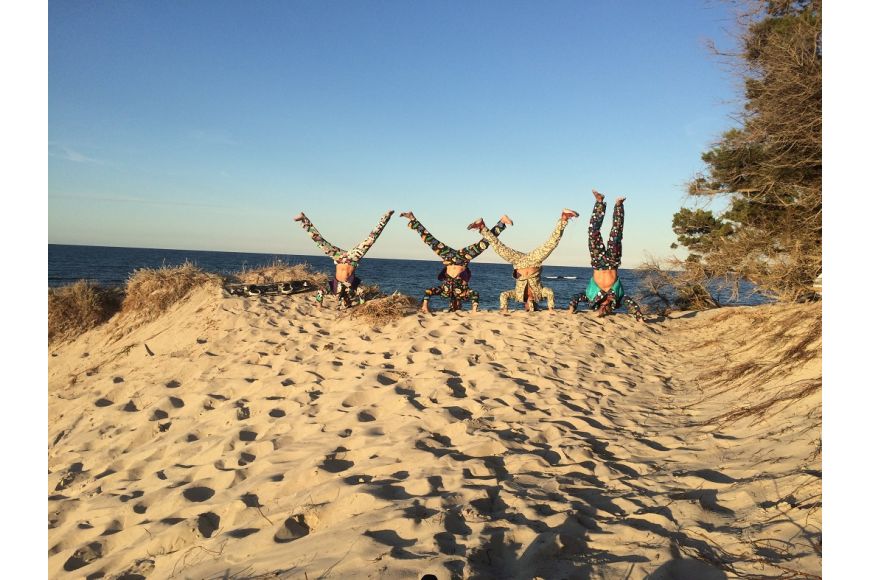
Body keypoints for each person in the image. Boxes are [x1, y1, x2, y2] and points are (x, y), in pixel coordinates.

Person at [467, 209, 579, 312]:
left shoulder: (517, 296)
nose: (528, 307)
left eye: (527, 308)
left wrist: (504, 310)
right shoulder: (540, 294)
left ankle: (482, 227)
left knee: (498, 247)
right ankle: (564, 218)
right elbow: (550, 292)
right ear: (535, 305)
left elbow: (503, 295)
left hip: (518, 262)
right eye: (531, 308)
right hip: (534, 260)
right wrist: (550, 309)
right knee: (552, 243)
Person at [400, 211, 511, 313]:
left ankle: (412, 218)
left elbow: (428, 291)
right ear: (460, 305)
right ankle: (501, 222)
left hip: (448, 258)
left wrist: (425, 306)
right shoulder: (463, 293)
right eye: (457, 306)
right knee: (484, 244)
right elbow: (475, 294)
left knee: (430, 240)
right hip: (462, 260)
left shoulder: (444, 292)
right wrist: (474, 309)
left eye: (454, 306)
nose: (455, 305)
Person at [568, 190, 644, 321]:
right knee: (616, 234)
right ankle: (619, 206)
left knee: (593, 233)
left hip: (597, 263)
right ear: (609, 310)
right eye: (605, 311)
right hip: (613, 263)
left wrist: (571, 308)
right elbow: (631, 304)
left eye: (600, 311)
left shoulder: (591, 299)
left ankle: (599, 202)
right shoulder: (618, 300)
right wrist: (639, 316)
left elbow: (576, 297)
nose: (602, 310)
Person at [293, 210, 393, 309]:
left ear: (341, 302)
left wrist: (319, 303)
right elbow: (361, 292)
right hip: (352, 259)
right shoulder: (353, 289)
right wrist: (362, 305)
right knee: (370, 240)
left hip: (339, 258)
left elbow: (320, 291)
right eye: (347, 303)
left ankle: (304, 220)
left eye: (344, 303)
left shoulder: (333, 290)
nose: (346, 301)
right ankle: (386, 217)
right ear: (349, 301)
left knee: (320, 241)